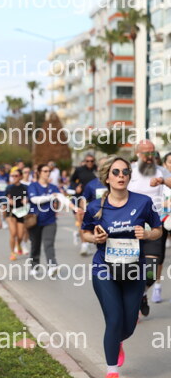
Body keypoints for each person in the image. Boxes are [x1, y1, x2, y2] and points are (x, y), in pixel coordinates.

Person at [81, 156, 162, 378]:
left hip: (134, 270)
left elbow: (158, 230)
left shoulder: (142, 202)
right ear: (107, 177)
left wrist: (147, 234)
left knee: (128, 326)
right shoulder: (96, 206)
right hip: (104, 269)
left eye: (125, 172)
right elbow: (84, 232)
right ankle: (112, 371)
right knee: (114, 319)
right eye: (116, 172)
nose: (121, 176)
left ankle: (117, 340)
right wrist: (95, 238)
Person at [128, 140, 171, 312]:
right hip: (131, 226)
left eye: (152, 152)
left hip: (154, 227)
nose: (150, 156)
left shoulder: (161, 171)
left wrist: (162, 181)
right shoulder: (129, 171)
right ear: (138, 153)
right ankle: (134, 297)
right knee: (130, 268)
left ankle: (143, 292)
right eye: (146, 153)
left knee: (152, 269)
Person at [28, 164, 80, 277]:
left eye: (49, 171)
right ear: (39, 172)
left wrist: (75, 208)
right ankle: (34, 266)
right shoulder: (33, 186)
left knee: (49, 244)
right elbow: (34, 199)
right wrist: (51, 197)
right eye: (45, 171)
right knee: (35, 244)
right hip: (35, 220)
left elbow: (63, 199)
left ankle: (52, 267)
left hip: (50, 220)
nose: (48, 173)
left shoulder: (53, 187)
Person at [78, 157, 108, 256]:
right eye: (103, 166)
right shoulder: (92, 184)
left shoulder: (117, 183)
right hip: (98, 217)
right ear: (98, 168)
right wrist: (84, 210)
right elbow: (83, 199)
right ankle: (85, 244)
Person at [70, 154, 98, 248]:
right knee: (81, 221)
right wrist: (76, 187)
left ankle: (81, 235)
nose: (90, 163)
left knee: (92, 222)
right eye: (87, 161)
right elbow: (72, 181)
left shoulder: (97, 170)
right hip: (80, 197)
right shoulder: (79, 170)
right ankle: (84, 244)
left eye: (92, 161)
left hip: (93, 198)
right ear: (85, 161)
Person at [5, 170, 28, 260]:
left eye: (16, 176)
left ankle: (18, 245)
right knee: (13, 233)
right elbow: (3, 198)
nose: (14, 177)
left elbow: (28, 197)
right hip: (11, 211)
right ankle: (12, 253)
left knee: (20, 235)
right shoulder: (9, 187)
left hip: (21, 212)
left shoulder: (25, 187)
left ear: (21, 176)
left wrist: (26, 200)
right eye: (12, 176)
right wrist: (8, 201)